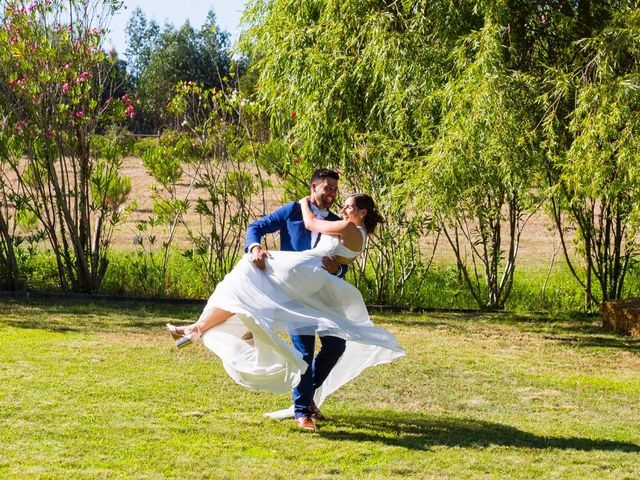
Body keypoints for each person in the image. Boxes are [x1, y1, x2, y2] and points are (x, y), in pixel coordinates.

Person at [166, 175, 404, 431]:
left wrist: (336, 271)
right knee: (296, 344)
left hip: (319, 291)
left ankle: (302, 393)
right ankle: (302, 412)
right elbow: (256, 227)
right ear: (314, 187)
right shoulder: (292, 210)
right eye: (328, 188)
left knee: (336, 346)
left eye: (336, 189)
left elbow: (341, 262)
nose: (333, 194)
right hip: (292, 284)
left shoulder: (340, 222)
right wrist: (255, 247)